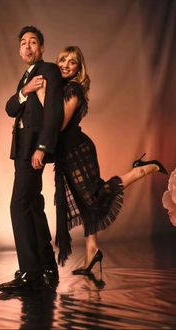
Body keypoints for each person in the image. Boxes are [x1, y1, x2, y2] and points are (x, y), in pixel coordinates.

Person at [30, 45, 168, 276]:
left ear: (78, 69)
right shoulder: (61, 88)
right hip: (66, 154)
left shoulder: (73, 89)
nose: (65, 65)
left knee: (95, 197)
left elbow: (59, 124)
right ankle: (92, 250)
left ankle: (141, 169)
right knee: (85, 203)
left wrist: (40, 93)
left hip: (78, 152)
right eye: (62, 60)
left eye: (71, 62)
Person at [0, 26, 63, 293]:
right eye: (23, 42)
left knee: (19, 206)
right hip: (22, 149)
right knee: (33, 206)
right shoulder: (26, 78)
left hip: (33, 149)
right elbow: (11, 108)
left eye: (32, 42)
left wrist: (43, 147)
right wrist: (24, 90)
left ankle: (29, 272)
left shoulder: (48, 70)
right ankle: (47, 265)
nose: (27, 47)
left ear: (42, 47)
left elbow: (53, 112)